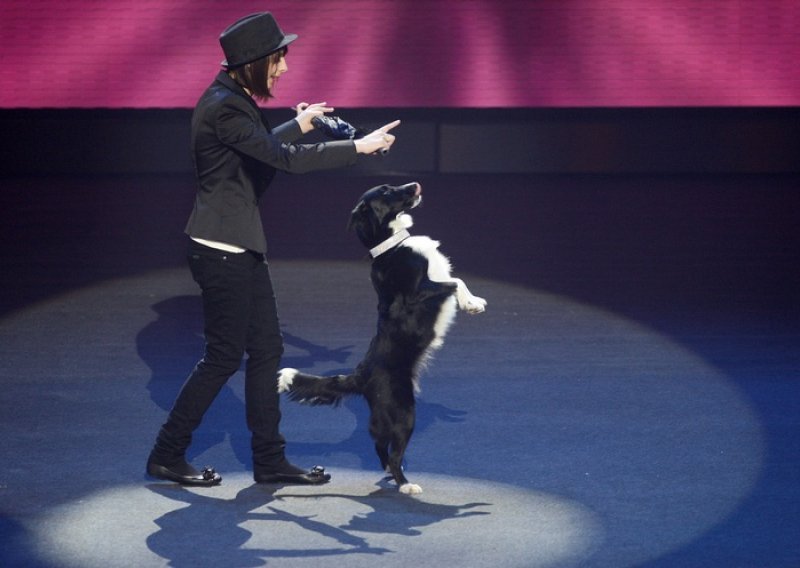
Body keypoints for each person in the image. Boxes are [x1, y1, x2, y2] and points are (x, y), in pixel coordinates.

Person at [146, 11, 399, 487]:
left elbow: (257, 146)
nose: (283, 70)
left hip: (238, 245)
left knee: (266, 351)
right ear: (253, 62)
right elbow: (280, 159)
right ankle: (166, 453)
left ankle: (269, 460)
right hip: (222, 249)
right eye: (279, 60)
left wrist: (300, 123)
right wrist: (358, 148)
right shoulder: (225, 105)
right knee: (224, 357)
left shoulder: (230, 97)